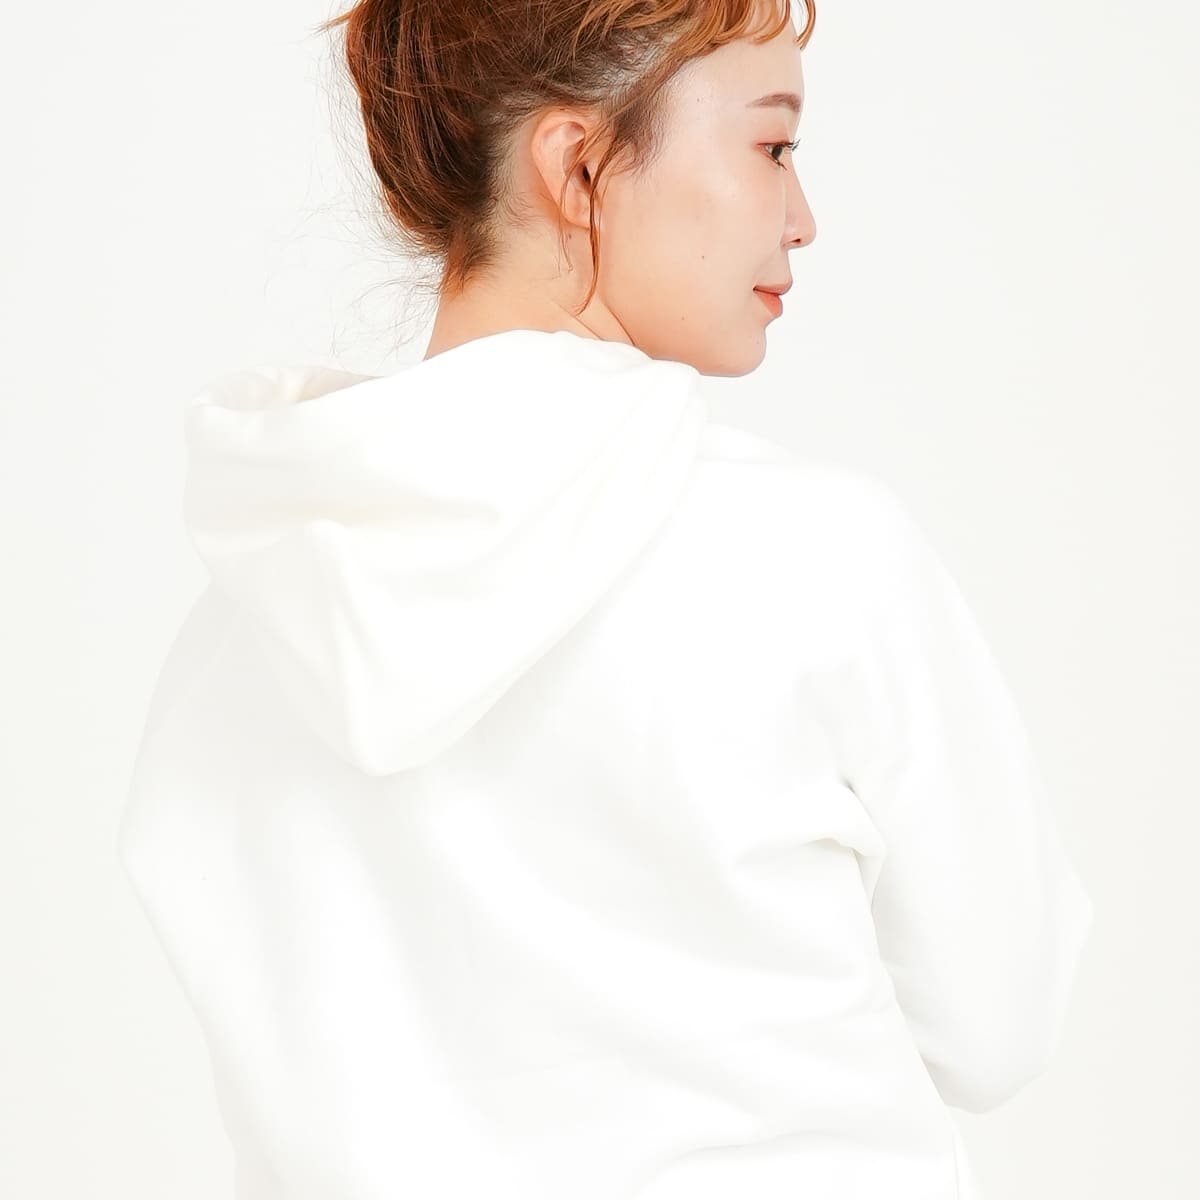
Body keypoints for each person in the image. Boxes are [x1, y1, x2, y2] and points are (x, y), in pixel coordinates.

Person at [118, 2, 1093, 1198]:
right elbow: (998, 1026)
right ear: (577, 165)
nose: (802, 217)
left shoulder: (248, 626)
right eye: (772, 146)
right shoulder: (808, 560)